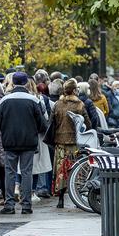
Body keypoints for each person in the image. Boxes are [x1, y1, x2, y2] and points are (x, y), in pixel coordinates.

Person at [0, 72, 47, 215]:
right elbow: (42, 124)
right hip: (28, 142)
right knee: (26, 173)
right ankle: (26, 205)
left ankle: (9, 204)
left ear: (13, 82)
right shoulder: (33, 100)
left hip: (10, 141)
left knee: (10, 173)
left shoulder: (5, 100)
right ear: (26, 82)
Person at [51, 79, 90, 208]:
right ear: (74, 90)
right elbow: (88, 123)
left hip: (60, 143)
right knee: (76, 170)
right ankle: (77, 199)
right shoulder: (79, 105)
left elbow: (52, 123)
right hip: (74, 143)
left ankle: (60, 199)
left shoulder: (57, 104)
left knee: (61, 171)